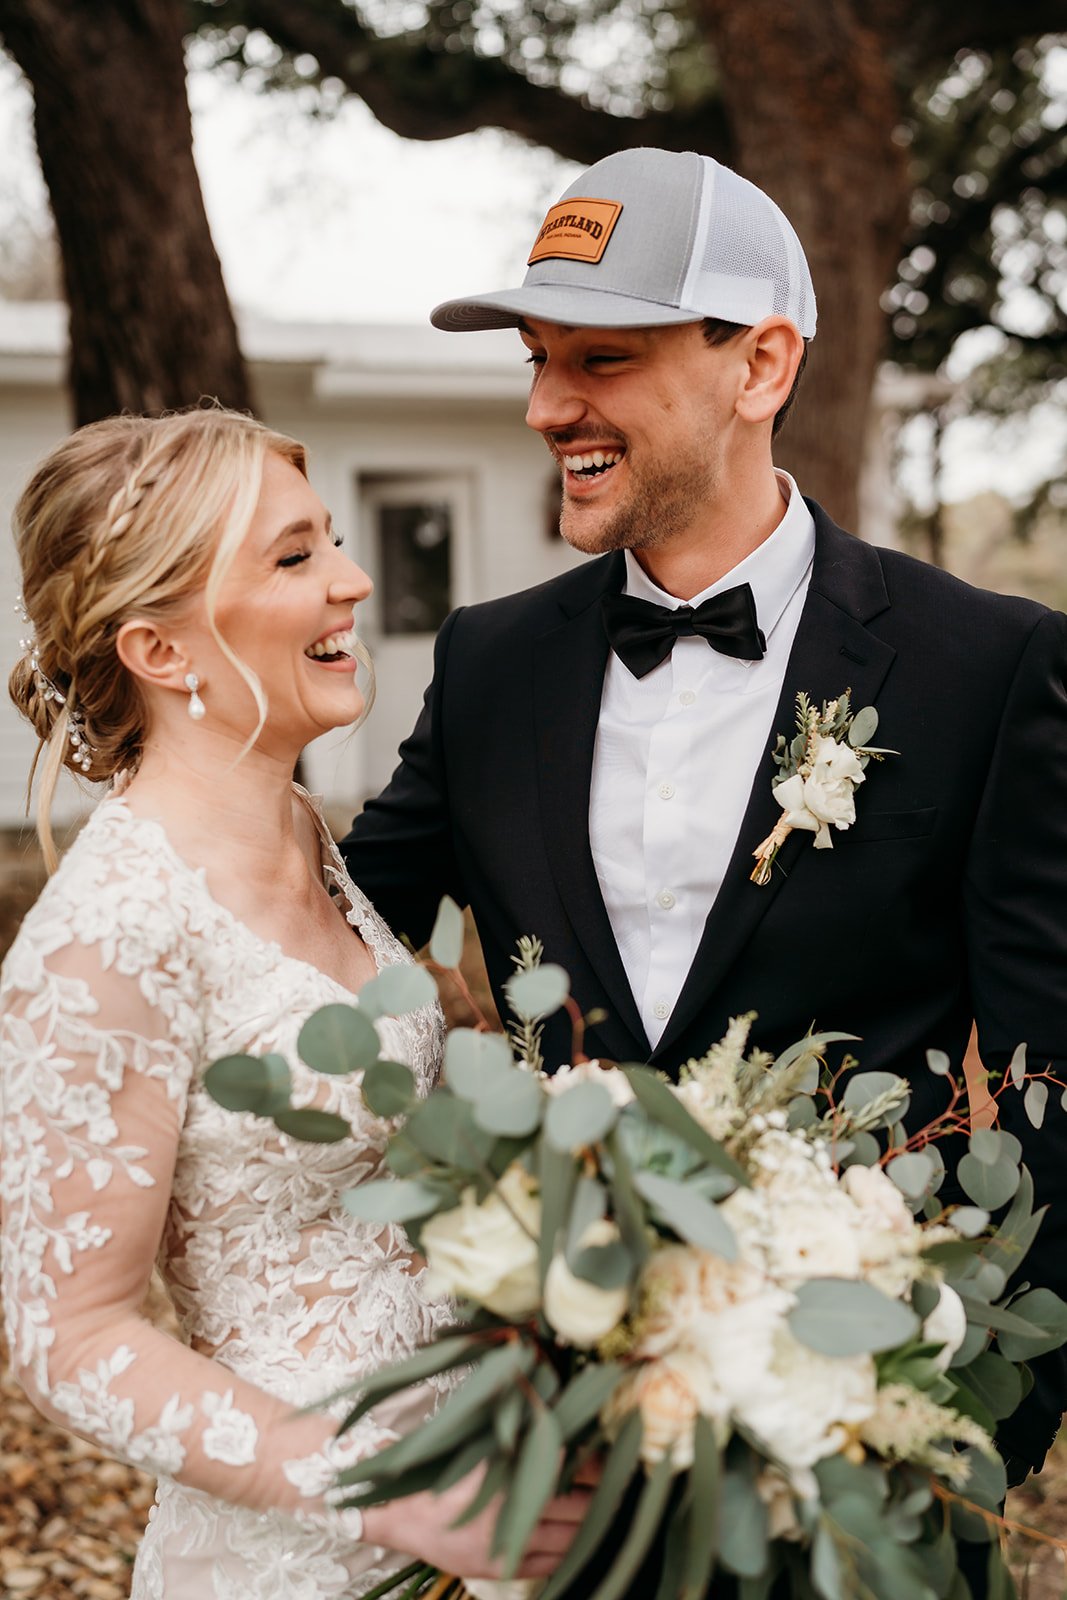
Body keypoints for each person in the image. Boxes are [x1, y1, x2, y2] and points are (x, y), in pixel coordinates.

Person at [341, 148, 1067, 1518]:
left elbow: (1053, 1085)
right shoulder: (487, 665)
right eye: (537, 361)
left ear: (761, 367)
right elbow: (323, 931)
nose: (549, 407)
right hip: (554, 1449)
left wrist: (960, 1422)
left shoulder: (988, 666)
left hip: (867, 1454)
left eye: (599, 360)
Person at [0, 407, 588, 1599]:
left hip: (487, 1514)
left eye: (329, 542)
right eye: (294, 557)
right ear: (161, 652)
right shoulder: (107, 934)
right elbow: (69, 1338)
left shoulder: (310, 843)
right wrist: (398, 1496)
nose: (355, 580)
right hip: (303, 1556)